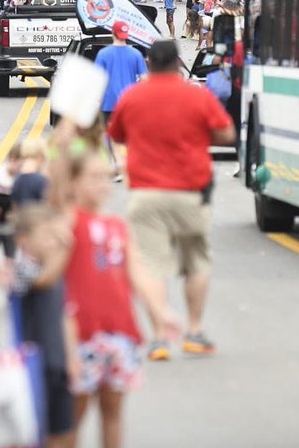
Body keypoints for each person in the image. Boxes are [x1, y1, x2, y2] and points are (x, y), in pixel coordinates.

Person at [106, 39, 234, 360]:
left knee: (151, 265)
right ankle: (193, 331)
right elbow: (227, 134)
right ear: (178, 62)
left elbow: (117, 135)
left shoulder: (132, 97)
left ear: (148, 63)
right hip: (190, 190)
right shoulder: (196, 95)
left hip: (146, 192)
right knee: (196, 262)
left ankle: (160, 337)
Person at [63, 140, 180, 448]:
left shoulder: (117, 226)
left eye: (106, 176)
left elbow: (136, 273)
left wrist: (160, 312)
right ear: (73, 182)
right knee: (73, 415)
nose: (103, 184)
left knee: (113, 409)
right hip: (81, 334)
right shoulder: (68, 223)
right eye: (93, 177)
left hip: (118, 333)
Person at [13, 204, 75, 448]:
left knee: (63, 429)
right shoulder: (23, 268)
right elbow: (43, 281)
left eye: (55, 236)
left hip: (56, 360)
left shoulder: (52, 268)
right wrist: (65, 249)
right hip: (34, 364)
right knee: (37, 430)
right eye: (47, 236)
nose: (53, 243)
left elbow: (65, 314)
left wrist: (71, 357)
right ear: (23, 241)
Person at [95, 21, 146, 122]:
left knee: (109, 134)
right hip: (129, 103)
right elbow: (145, 80)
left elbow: (96, 81)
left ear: (112, 33)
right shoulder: (136, 54)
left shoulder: (103, 54)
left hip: (108, 104)